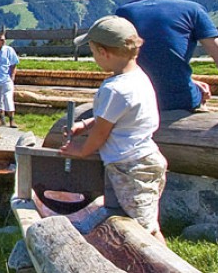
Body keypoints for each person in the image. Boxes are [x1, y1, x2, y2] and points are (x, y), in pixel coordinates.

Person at [60, 16, 168, 240]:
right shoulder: (138, 77)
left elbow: (101, 133)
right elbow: (113, 118)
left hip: (130, 166)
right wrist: (84, 124)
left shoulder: (114, 89)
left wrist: (80, 150)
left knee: (144, 228)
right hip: (142, 159)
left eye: (92, 52)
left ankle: (162, 265)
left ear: (103, 52)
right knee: (123, 218)